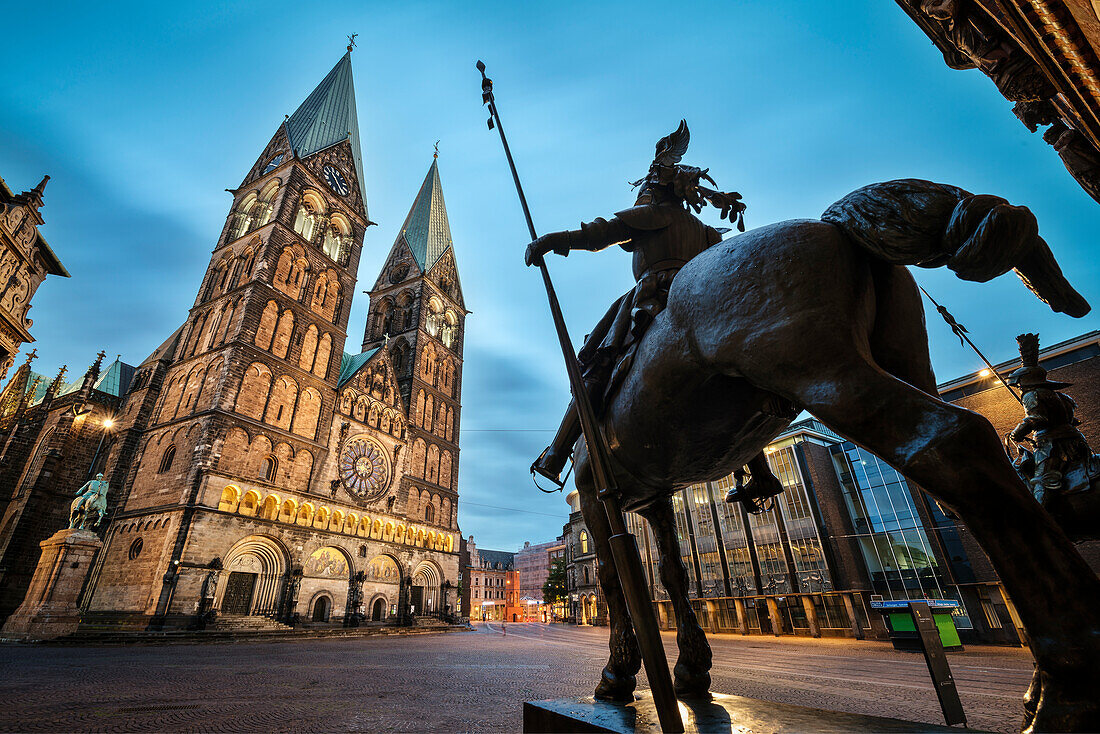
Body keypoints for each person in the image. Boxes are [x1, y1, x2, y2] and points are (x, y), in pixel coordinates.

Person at [525, 121, 783, 505]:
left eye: (644, 190)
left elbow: (599, 234)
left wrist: (552, 241)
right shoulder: (705, 231)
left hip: (656, 295)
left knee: (596, 365)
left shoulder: (653, 216)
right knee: (728, 362)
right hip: (701, 296)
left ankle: (556, 455)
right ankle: (760, 472)